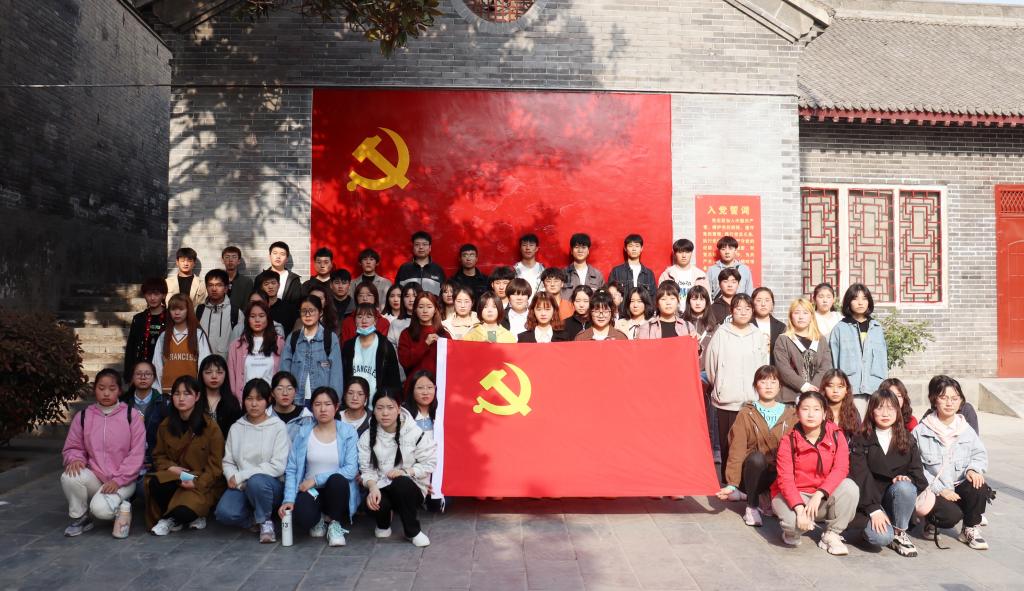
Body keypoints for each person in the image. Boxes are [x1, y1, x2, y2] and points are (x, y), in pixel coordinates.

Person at [61, 369, 146, 537]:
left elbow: (136, 454)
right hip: (96, 476)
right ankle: (82, 518)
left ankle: (122, 508)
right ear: (95, 389)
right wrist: (75, 458)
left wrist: (118, 480)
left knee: (100, 510)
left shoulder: (132, 416)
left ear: (119, 391)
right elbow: (73, 446)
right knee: (69, 476)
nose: (106, 393)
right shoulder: (83, 416)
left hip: (124, 480)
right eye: (101, 388)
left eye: (112, 388)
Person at [771, 391, 858, 554]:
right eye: (805, 409)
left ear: (824, 413)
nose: (811, 414)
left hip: (822, 496)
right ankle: (792, 532)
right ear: (797, 413)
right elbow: (785, 479)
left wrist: (819, 494)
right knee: (794, 524)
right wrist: (799, 510)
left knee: (850, 487)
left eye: (816, 409)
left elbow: (841, 469)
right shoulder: (788, 440)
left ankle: (832, 534)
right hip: (796, 495)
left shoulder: (837, 435)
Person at [913, 375, 991, 550]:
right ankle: (931, 520)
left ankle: (969, 528)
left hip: (959, 482)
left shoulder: (966, 429)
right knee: (950, 516)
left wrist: (973, 469)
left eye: (954, 398)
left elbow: (979, 454)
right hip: (934, 487)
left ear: (961, 401)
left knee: (979, 486)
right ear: (934, 400)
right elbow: (915, 467)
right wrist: (940, 489)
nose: (949, 403)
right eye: (943, 398)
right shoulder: (921, 431)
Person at [279, 387, 361, 547]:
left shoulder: (348, 432)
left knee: (337, 480)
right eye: (317, 404)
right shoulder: (304, 433)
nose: (323, 409)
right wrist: (288, 499)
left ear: (336, 407)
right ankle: (320, 519)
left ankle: (335, 523)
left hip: (336, 491)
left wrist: (316, 479)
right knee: (302, 518)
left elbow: (351, 470)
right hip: (312, 492)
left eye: (328, 404)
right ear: (312, 408)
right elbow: (292, 469)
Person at [850, 388, 927, 557]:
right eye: (880, 408)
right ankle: (871, 530)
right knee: (881, 538)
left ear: (898, 411)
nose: (885, 413)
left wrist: (907, 478)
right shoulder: (861, 439)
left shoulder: (907, 439)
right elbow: (860, 476)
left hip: (895, 501)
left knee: (905, 487)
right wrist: (873, 509)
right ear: (871, 411)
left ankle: (899, 533)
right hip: (869, 501)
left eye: (890, 408)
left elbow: (919, 476)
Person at [716, 365, 796, 527]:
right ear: (755, 385)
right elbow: (737, 449)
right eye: (763, 382)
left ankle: (770, 496)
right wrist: (732, 483)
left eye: (773, 382)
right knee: (757, 458)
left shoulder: (791, 414)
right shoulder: (746, 413)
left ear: (780, 386)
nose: (768, 386)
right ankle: (751, 506)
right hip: (752, 474)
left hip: (780, 474)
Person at [146, 375, 226, 535]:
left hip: (200, 479)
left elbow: (215, 467)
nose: (181, 398)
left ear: (197, 396)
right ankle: (174, 517)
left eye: (187, 393)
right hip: (176, 476)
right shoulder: (166, 425)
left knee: (185, 513)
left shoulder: (210, 428)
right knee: (155, 482)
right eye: (177, 393)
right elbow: (158, 456)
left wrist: (197, 483)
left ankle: (175, 517)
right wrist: (171, 468)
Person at [214, 379, 290, 543]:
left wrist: (242, 476)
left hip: (270, 485)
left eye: (259, 399)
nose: (254, 404)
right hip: (241, 485)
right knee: (224, 513)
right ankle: (254, 518)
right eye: (249, 399)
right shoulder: (236, 427)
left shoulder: (277, 426)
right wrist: (232, 477)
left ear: (268, 400)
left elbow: (278, 466)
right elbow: (228, 461)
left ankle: (265, 522)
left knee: (257, 482)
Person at [359, 390, 437, 547]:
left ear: (399, 409)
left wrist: (405, 472)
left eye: (390, 407)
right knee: (374, 500)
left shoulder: (414, 432)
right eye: (380, 408)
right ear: (374, 410)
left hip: (410, 487)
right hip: (382, 485)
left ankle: (412, 532)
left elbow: (429, 463)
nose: (385, 413)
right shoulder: (367, 436)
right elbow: (366, 470)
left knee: (401, 483)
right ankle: (383, 523)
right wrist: (372, 487)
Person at [705, 294, 768, 480]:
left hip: (750, 399)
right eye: (738, 308)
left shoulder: (757, 334)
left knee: (748, 442)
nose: (743, 312)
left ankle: (744, 481)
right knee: (727, 442)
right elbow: (711, 364)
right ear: (731, 311)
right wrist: (720, 385)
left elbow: (763, 364)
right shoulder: (721, 333)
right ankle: (727, 480)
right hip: (726, 399)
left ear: (752, 311)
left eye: (747, 309)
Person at [829, 283, 888, 415]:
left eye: (864, 298)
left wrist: (884, 388)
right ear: (848, 302)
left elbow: (883, 361)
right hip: (851, 389)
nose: (860, 302)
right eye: (855, 298)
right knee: (855, 424)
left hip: (875, 388)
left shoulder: (877, 328)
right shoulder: (840, 329)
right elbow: (833, 362)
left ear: (869, 302)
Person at [281, 296, 344, 407]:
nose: (308, 314)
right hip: (296, 401)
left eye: (312, 310)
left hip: (323, 402)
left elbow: (336, 374)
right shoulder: (293, 338)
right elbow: (284, 372)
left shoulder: (330, 338)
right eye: (304, 311)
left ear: (320, 313)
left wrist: (335, 401)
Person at [121, 361, 171, 492]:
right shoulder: (123, 403)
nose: (143, 377)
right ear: (132, 377)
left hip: (153, 460)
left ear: (154, 378)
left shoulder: (163, 403)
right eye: (138, 374)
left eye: (147, 374)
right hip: (126, 460)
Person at [774, 298, 833, 404]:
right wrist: (804, 386)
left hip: (816, 395)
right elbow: (783, 369)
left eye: (805, 313)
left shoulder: (821, 340)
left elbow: (825, 367)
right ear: (791, 316)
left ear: (811, 317)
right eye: (796, 313)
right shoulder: (783, 339)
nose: (801, 317)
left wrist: (812, 388)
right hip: (790, 398)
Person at [152, 293, 211, 393]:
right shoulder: (164, 336)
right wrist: (158, 391)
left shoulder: (198, 335)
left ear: (188, 310)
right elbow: (157, 365)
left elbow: (204, 364)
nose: (177, 313)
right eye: (173, 309)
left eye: (181, 309)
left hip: (191, 391)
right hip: (167, 391)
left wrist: (200, 390)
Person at [341, 303, 402, 399]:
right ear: (355, 321)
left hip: (378, 402)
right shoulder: (348, 346)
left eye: (369, 316)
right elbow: (343, 377)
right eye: (359, 317)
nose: (364, 321)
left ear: (375, 321)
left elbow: (394, 380)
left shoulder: (385, 346)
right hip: (353, 401)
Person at [228, 300, 285, 401]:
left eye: (261, 316)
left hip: (271, 400)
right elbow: (232, 377)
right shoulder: (236, 346)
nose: (257, 320)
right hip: (244, 401)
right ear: (247, 319)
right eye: (252, 316)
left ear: (268, 318)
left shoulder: (279, 343)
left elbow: (283, 374)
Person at [398, 292, 450, 381]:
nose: (425, 311)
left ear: (435, 310)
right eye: (421, 307)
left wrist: (442, 345)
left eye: (429, 307)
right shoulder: (406, 334)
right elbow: (405, 362)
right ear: (415, 310)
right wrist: (425, 344)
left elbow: (451, 361)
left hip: (438, 384)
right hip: (414, 384)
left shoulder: (443, 334)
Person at [124, 278, 169, 375]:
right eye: (149, 294)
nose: (152, 298)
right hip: (142, 368)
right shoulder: (139, 319)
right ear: (144, 295)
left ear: (164, 295)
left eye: (156, 294)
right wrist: (129, 374)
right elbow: (131, 348)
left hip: (165, 367)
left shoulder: (170, 317)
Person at [196, 269, 243, 359]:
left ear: (226, 288)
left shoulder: (236, 313)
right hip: (202, 363)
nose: (214, 289)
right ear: (206, 287)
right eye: (210, 285)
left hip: (226, 363)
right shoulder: (198, 310)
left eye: (219, 285)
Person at [199, 355, 244, 441]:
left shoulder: (232, 402)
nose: (214, 376)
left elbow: (236, 433)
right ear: (201, 374)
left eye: (219, 372)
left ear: (226, 375)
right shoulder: (194, 400)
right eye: (208, 372)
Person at [395, 231, 445, 295]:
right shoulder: (404, 269)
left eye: (424, 244)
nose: (421, 247)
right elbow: (398, 292)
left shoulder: (438, 270)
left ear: (430, 248)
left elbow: (443, 294)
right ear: (413, 247)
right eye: (417, 244)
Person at [270, 371, 314, 442]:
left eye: (289, 388)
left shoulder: (305, 417)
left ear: (295, 392)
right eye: (280, 389)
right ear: (272, 393)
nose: (285, 393)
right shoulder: (266, 415)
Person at [821, 369, 862, 437]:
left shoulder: (853, 412)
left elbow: (858, 438)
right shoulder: (819, 411)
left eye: (840, 386)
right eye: (830, 386)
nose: (835, 391)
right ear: (824, 388)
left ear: (846, 389)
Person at [562, 233, 604, 298]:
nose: (580, 251)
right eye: (576, 247)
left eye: (583, 247)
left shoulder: (597, 275)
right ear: (571, 251)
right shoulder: (563, 273)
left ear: (588, 251)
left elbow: (602, 298)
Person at [751, 287, 786, 362]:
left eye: (767, 300)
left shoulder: (781, 327)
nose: (763, 304)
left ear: (772, 304)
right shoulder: (747, 325)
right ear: (752, 303)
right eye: (759, 300)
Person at [264, 241, 303, 306]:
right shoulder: (261, 277)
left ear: (287, 259)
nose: (278, 257)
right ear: (270, 256)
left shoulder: (294, 280)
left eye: (282, 254)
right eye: (275, 253)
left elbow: (297, 304)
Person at [386, 283, 421, 349]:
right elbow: (391, 349)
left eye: (415, 296)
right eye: (407, 296)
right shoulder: (395, 323)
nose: (411, 300)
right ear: (402, 299)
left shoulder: (427, 321)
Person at [222, 246, 254, 312]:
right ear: (223, 260)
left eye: (234, 257)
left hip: (240, 317)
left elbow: (247, 305)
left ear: (239, 261)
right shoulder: (218, 281)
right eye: (227, 257)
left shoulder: (247, 282)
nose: (230, 260)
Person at [513, 233, 545, 298]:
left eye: (531, 245)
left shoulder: (543, 269)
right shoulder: (514, 270)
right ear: (520, 248)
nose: (528, 248)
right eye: (524, 245)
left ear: (536, 248)